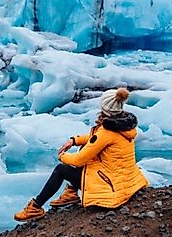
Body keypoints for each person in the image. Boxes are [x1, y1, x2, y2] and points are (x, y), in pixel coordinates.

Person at [14, 87, 149, 222]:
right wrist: (74, 140)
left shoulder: (106, 132)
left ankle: (35, 207)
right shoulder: (123, 126)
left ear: (104, 107)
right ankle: (71, 193)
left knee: (61, 170)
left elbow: (78, 160)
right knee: (85, 147)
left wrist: (62, 155)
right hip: (124, 181)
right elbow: (95, 139)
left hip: (110, 187)